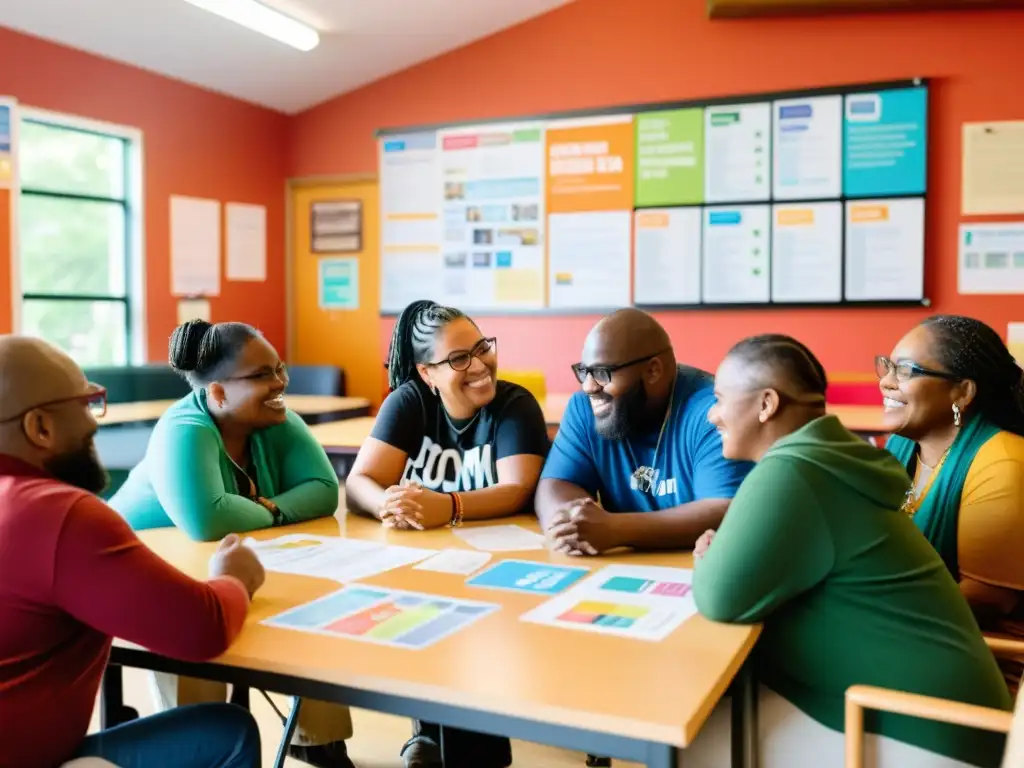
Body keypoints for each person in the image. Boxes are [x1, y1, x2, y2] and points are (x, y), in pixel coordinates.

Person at [689, 333, 1012, 768]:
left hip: (923, 732)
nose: (712, 415)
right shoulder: (831, 458)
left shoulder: (792, 469)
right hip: (950, 720)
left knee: (688, 743)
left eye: (719, 398)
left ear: (766, 404)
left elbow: (719, 597)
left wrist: (712, 562)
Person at [0, 335, 265, 768]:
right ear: (40, 427)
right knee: (229, 732)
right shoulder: (59, 515)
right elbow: (203, 628)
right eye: (87, 404)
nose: (93, 424)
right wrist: (235, 578)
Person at [109, 320, 354, 768]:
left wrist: (271, 511)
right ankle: (199, 754)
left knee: (309, 595)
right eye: (262, 375)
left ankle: (316, 739)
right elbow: (208, 519)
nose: (279, 383)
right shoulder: (184, 428)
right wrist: (276, 506)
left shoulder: (273, 415)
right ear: (217, 394)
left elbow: (323, 489)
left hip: (227, 560)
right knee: (188, 618)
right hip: (141, 573)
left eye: (280, 369)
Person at [345, 299, 549, 768]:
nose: (479, 365)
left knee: (472, 640)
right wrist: (386, 502)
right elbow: (359, 482)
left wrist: (450, 507)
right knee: (419, 621)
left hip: (502, 571)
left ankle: (458, 747)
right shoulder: (409, 401)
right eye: (460, 359)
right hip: (425, 568)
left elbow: (518, 490)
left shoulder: (514, 405)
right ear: (428, 372)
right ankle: (431, 737)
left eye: (482, 348)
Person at [880, 315, 1024, 695]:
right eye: (888, 366)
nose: (886, 381)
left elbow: (986, 600)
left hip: (986, 664)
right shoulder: (902, 447)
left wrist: (867, 607)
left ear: (962, 392)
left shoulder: (1003, 461)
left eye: (906, 370)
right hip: (921, 641)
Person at [535, 308, 751, 556]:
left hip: (694, 568)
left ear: (653, 371)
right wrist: (566, 525)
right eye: (584, 372)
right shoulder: (585, 409)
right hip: (619, 570)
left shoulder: (713, 412)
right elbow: (556, 482)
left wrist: (615, 529)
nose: (589, 387)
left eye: (603, 373)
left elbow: (725, 509)